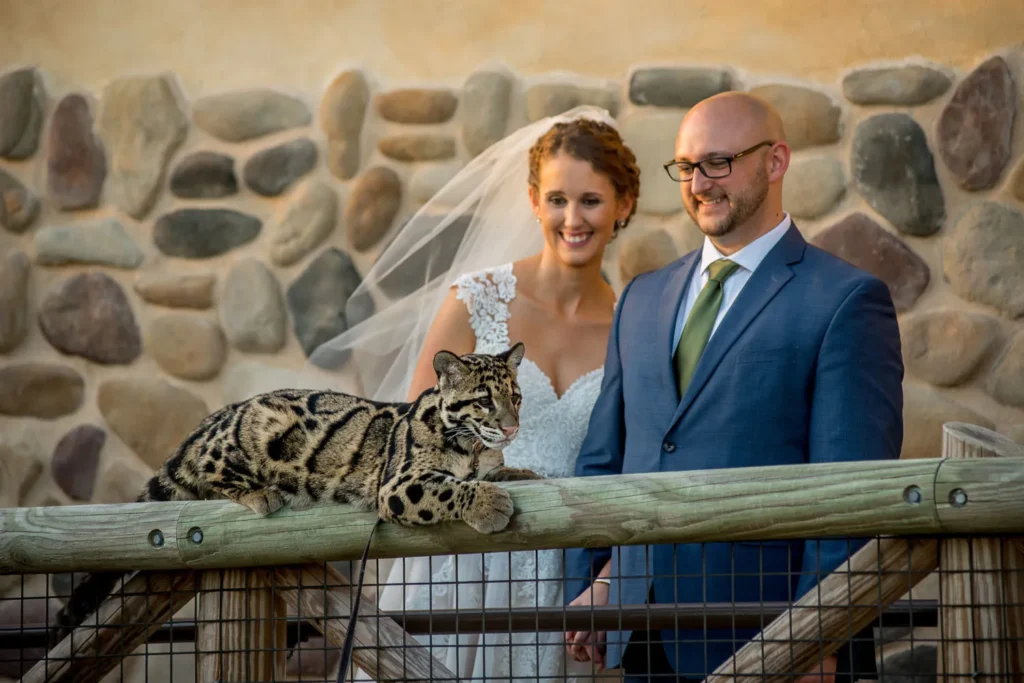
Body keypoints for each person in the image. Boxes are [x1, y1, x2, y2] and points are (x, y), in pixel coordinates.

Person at [563, 91, 904, 682]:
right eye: (686, 167)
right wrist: (593, 584)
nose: (699, 183)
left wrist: (815, 639)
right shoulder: (642, 298)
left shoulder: (846, 300)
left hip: (773, 640)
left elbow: (850, 495)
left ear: (776, 162)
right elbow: (604, 461)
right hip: (645, 641)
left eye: (718, 162)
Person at [311, 105, 640, 682]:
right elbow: (409, 441)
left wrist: (607, 579)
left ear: (623, 206)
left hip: (562, 582)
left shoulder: (634, 325)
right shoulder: (476, 300)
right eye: (557, 199)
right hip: (454, 562)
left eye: (590, 200)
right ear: (534, 201)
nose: (572, 218)